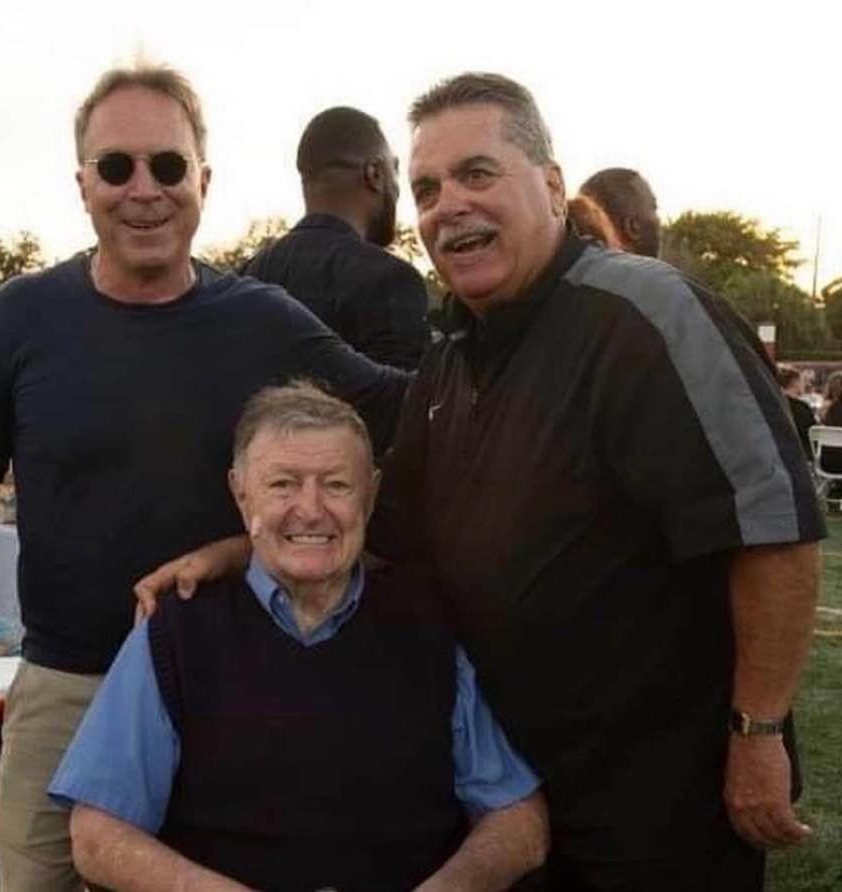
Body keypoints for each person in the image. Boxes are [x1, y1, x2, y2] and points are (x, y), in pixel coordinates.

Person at [139, 73, 823, 892]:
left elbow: (773, 530)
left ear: (553, 186)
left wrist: (757, 732)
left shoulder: (643, 317)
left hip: (653, 803)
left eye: (476, 173)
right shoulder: (453, 359)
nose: (446, 205)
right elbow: (386, 528)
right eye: (426, 188)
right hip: (516, 795)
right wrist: (232, 550)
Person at [0, 62, 408, 892]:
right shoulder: (25, 314)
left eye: (168, 166)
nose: (145, 190)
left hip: (225, 687)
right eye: (117, 167)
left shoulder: (261, 320)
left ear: (203, 180)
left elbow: (405, 416)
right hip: (65, 683)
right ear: (83, 184)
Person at [50, 382, 547, 891]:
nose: (310, 510)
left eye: (336, 485)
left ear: (371, 496)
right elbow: (97, 836)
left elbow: (519, 820)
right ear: (241, 494)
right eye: (283, 485)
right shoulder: (176, 632)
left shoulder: (426, 625)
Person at [241, 106, 430, 369]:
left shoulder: (247, 276)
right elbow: (408, 404)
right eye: (395, 169)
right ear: (374, 174)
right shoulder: (391, 280)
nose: (399, 189)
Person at [579, 167, 661, 257]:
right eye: (654, 207)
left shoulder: (573, 268)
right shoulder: (652, 270)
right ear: (632, 227)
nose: (659, 220)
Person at [777, 363, 817, 461]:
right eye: (801, 381)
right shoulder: (801, 408)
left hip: (780, 452)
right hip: (803, 455)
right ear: (795, 382)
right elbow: (812, 433)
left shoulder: (775, 405)